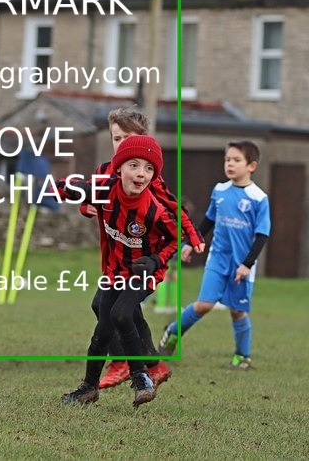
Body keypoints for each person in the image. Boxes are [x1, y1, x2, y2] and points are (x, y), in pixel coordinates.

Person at [84, 108, 204, 390]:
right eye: (116, 138)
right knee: (119, 310)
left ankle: (123, 363)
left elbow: (175, 209)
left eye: (128, 138)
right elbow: (88, 193)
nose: (121, 144)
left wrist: (193, 235)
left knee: (116, 309)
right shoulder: (104, 172)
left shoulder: (148, 178)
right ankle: (151, 364)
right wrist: (85, 206)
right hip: (114, 258)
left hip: (142, 260)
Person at [60, 135, 179, 407]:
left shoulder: (155, 210)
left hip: (143, 273)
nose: (141, 173)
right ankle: (88, 388)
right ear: (119, 168)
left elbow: (175, 238)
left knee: (122, 314)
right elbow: (64, 189)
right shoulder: (105, 191)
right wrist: (67, 188)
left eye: (149, 168)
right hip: (115, 272)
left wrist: (155, 260)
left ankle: (142, 378)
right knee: (103, 330)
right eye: (134, 165)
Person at [159, 140, 271, 369]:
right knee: (204, 305)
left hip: (242, 265)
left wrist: (247, 264)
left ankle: (242, 356)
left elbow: (262, 235)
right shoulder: (219, 190)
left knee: (237, 311)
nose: (230, 164)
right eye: (227, 159)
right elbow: (208, 220)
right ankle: (173, 332)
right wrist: (191, 242)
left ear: (252, 166)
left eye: (236, 160)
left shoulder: (259, 198)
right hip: (217, 260)